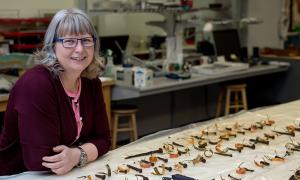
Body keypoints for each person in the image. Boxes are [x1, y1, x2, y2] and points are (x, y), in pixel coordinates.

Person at [0, 8, 111, 175]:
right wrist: (85, 151)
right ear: (53, 45)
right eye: (69, 41)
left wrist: (77, 155)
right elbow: (41, 160)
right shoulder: (36, 85)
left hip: (66, 172)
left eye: (86, 40)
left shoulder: (90, 81)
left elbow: (104, 140)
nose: (80, 49)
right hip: (19, 174)